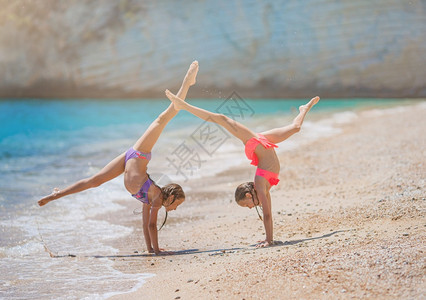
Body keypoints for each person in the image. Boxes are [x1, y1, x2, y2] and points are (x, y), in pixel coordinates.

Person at [38, 61, 199, 255]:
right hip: (139, 153)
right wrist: (158, 252)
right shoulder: (156, 198)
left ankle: (57, 195)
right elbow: (152, 226)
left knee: (94, 181)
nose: (174, 209)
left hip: (129, 158)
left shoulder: (151, 199)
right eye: (176, 205)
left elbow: (144, 225)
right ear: (171, 197)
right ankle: (187, 82)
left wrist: (150, 249)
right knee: (163, 118)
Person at [165, 89, 319, 248]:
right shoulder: (263, 189)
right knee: (296, 127)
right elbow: (268, 214)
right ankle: (304, 109)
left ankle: (184, 106)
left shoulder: (260, 184)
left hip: (254, 142)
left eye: (247, 204)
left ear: (248, 194)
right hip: (263, 141)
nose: (250, 207)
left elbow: (266, 215)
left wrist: (268, 241)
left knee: (222, 119)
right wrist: (269, 238)